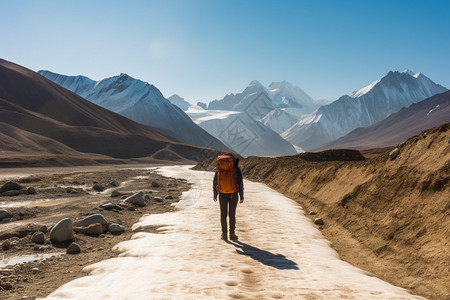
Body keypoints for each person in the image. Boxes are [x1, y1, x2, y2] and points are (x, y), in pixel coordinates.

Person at [213, 154, 244, 241]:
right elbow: (240, 183)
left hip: (222, 194)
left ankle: (224, 234)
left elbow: (215, 182)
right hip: (233, 194)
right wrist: (241, 195)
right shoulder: (236, 169)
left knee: (223, 214)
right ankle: (232, 234)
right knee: (232, 215)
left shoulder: (219, 169)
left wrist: (215, 194)